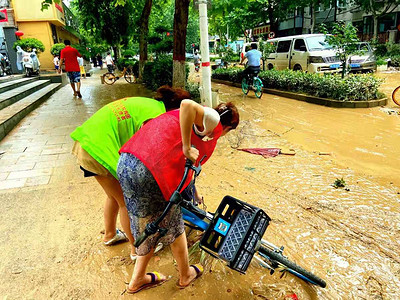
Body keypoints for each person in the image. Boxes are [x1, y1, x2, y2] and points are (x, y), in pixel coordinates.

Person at [117, 100, 239, 294]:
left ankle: (139, 278)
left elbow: (183, 164)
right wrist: (186, 147)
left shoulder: (193, 125)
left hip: (127, 164)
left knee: (150, 226)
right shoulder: (212, 119)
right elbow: (187, 105)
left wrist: (194, 190)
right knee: (174, 226)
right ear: (229, 127)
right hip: (150, 173)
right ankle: (185, 275)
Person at [70, 86, 191, 260]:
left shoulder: (150, 105)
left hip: (87, 143)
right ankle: (136, 250)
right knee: (126, 202)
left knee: (113, 195)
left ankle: (110, 234)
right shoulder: (157, 116)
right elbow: (150, 151)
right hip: (98, 150)